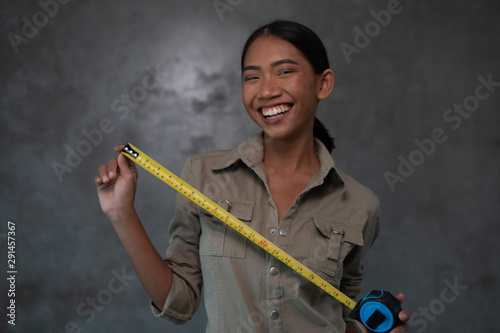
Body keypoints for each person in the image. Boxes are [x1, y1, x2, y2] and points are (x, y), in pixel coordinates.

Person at [95, 20, 410, 333]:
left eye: (284, 71)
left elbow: (341, 317)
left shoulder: (361, 204)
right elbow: (179, 305)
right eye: (252, 77)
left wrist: (371, 331)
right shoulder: (203, 175)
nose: (267, 90)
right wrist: (122, 214)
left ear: (322, 84)